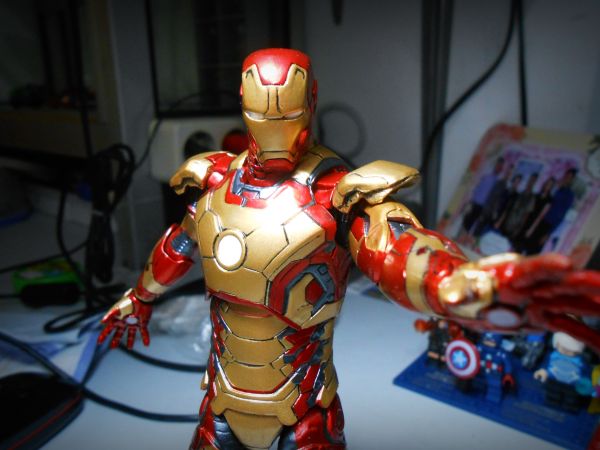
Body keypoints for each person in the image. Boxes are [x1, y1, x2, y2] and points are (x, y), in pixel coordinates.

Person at [98, 49, 600, 450]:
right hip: (220, 403)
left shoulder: (336, 193)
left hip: (303, 410)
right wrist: (139, 296)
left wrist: (455, 283)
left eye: (287, 113)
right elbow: (181, 242)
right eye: (261, 113)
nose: (274, 129)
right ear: (244, 106)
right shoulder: (214, 182)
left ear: (310, 102)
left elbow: (391, 249)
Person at [524, 168, 577, 255]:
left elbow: (561, 215)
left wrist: (548, 234)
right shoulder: (556, 188)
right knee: (526, 245)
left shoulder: (569, 195)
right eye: (566, 176)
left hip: (548, 225)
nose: (567, 179)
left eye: (570, 177)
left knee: (534, 251)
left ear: (572, 180)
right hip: (539, 220)